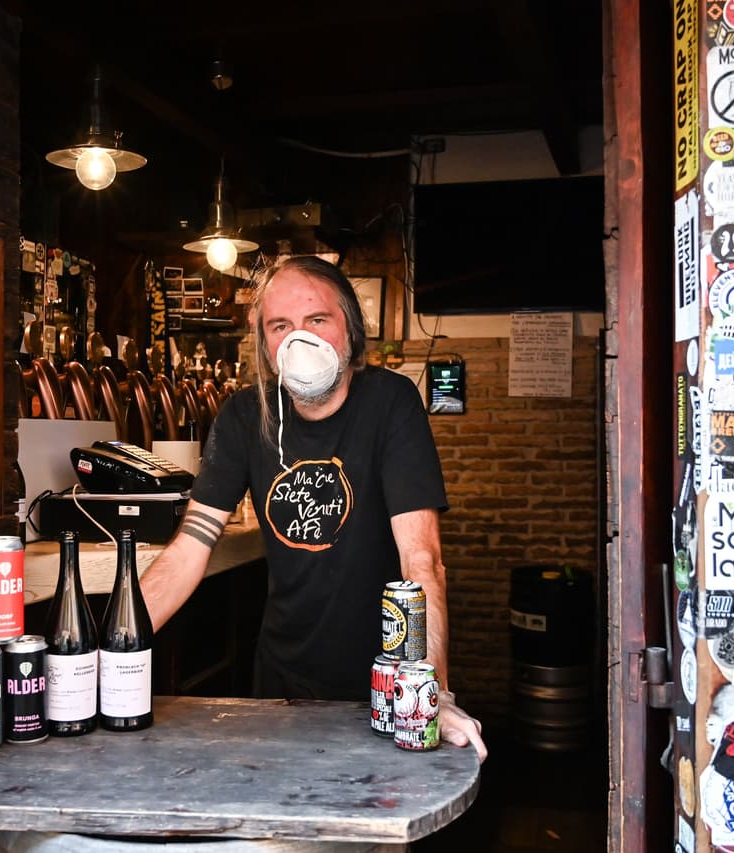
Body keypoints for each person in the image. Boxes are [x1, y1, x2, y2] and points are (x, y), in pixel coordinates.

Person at [140, 256, 487, 759]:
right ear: (265, 344)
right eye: (280, 326)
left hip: (386, 683)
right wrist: (106, 650)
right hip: (282, 683)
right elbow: (187, 551)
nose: (299, 339)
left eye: (317, 320)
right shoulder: (246, 415)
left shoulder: (390, 402)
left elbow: (422, 561)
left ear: (351, 331)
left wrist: (431, 692)